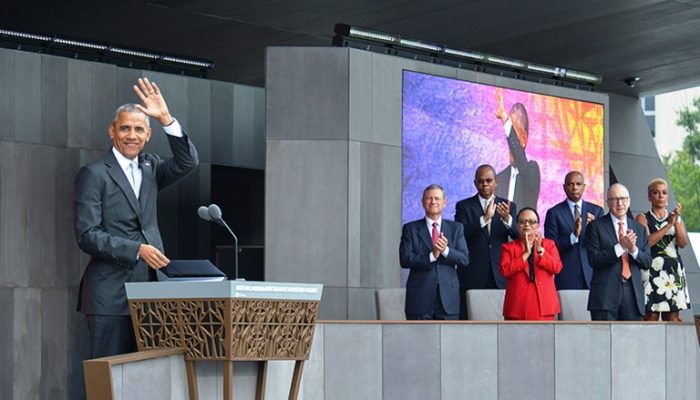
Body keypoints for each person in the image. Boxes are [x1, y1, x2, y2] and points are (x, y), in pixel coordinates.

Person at [74, 78, 199, 358]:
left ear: (148, 135)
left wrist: (166, 118)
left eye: (139, 129)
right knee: (107, 376)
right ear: (112, 131)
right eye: (125, 128)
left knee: (149, 376)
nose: (132, 135)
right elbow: (87, 234)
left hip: (152, 293)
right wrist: (137, 250)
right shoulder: (94, 174)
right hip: (109, 296)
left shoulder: (151, 167)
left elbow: (188, 162)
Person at [455, 164, 518, 319]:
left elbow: (518, 235)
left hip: (499, 273)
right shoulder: (464, 206)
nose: (485, 184)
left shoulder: (508, 206)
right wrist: (484, 219)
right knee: (471, 320)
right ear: (475, 183)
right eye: (480, 181)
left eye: (488, 180)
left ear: (496, 182)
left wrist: (507, 220)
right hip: (473, 272)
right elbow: (460, 234)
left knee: (500, 319)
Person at [400, 184, 469, 320]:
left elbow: (464, 259)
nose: (433, 202)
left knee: (449, 340)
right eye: (429, 198)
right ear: (422, 202)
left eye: (437, 198)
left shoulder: (456, 228)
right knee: (419, 340)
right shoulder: (410, 228)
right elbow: (405, 259)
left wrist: (445, 250)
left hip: (448, 299)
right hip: (419, 299)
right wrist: (432, 255)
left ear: (444, 202)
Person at [586, 183, 651, 321]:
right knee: (603, 340)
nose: (620, 203)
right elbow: (594, 260)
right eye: (615, 199)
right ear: (608, 203)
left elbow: (647, 262)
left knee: (632, 341)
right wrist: (620, 247)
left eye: (623, 198)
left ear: (629, 201)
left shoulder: (639, 229)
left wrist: (633, 249)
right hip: (605, 296)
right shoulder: (595, 227)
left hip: (633, 294)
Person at [635, 178, 690, 322]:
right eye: (656, 193)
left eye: (664, 193)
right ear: (649, 197)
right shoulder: (642, 217)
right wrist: (668, 225)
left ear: (668, 196)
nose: (660, 196)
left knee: (672, 319)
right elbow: (646, 243)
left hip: (673, 273)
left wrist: (675, 221)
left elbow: (683, 243)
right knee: (650, 318)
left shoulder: (675, 218)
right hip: (651, 271)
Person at [544, 171, 604, 290]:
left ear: (584, 187)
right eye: (570, 184)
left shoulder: (597, 211)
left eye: (578, 184)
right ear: (564, 187)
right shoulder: (554, 213)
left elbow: (603, 244)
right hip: (567, 276)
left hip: (593, 274)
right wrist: (573, 236)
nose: (575, 187)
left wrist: (593, 231)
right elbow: (551, 246)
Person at [500, 207, 563, 320]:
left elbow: (557, 268)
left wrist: (541, 252)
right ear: (517, 225)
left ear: (538, 225)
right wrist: (525, 254)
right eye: (522, 221)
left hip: (543, 305)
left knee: (544, 337)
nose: (527, 225)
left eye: (531, 221)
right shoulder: (508, 247)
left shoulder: (549, 245)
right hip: (517, 305)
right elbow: (505, 271)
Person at [494, 88, 540, 210]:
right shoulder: (498, 179)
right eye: (509, 136)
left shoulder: (532, 171)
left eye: (514, 135)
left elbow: (519, 156)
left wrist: (504, 117)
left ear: (524, 139)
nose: (510, 142)